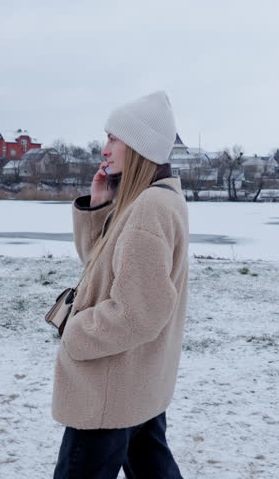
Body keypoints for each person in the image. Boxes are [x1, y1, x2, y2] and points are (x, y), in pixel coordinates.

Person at [51, 90, 188, 478]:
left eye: (114, 138)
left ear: (140, 145)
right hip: (136, 381)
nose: (104, 149)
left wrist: (76, 333)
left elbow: (139, 311)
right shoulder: (156, 199)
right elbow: (104, 270)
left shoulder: (148, 208)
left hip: (108, 389)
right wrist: (98, 208)